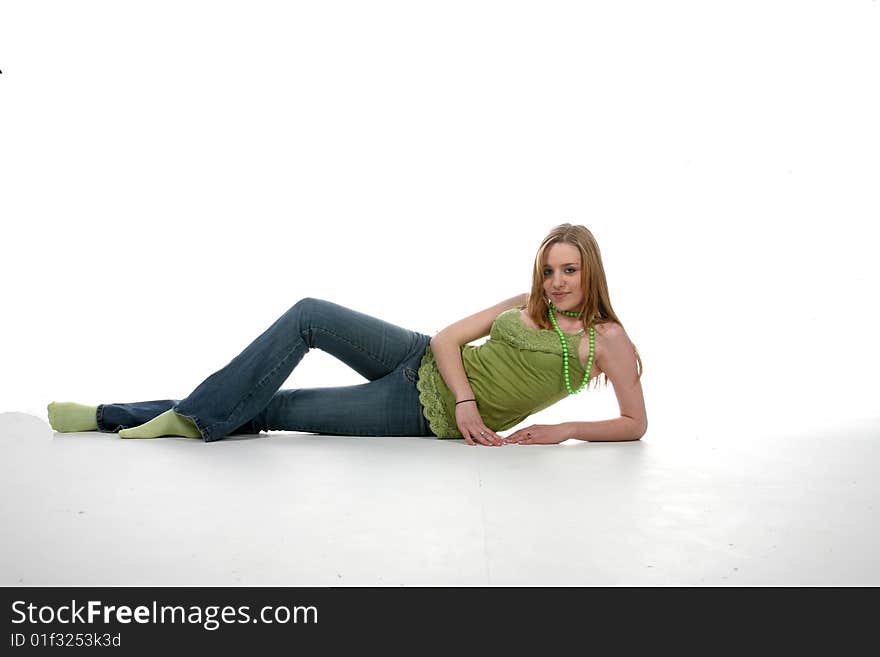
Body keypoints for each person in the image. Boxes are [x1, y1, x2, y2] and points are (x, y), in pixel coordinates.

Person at [47, 224, 646, 446]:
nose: (556, 281)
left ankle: (110, 415)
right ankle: (188, 417)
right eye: (548, 269)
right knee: (310, 312)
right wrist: (467, 396)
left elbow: (633, 422)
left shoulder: (609, 341)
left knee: (276, 408)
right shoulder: (525, 302)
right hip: (421, 360)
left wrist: (564, 429)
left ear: (591, 268)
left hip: (417, 411)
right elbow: (445, 340)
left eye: (569, 269)